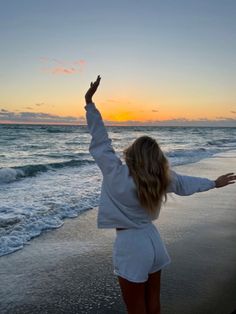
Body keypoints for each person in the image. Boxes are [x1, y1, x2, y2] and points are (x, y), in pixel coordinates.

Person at [84, 75, 236, 314]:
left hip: (131, 246)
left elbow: (100, 141)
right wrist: (214, 183)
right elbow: (186, 184)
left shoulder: (115, 172)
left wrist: (89, 103)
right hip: (153, 242)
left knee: (135, 308)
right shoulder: (161, 178)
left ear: (133, 153)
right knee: (153, 304)